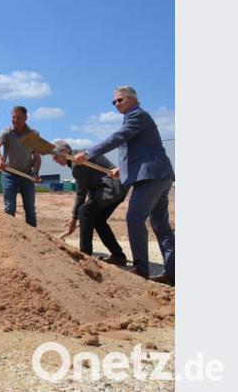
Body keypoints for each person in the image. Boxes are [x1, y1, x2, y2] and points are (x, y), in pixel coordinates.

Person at [73, 86, 175, 286]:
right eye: (114, 102)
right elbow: (142, 149)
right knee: (160, 226)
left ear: (133, 99)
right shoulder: (137, 118)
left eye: (120, 100)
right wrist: (122, 168)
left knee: (134, 218)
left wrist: (89, 152)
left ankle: (141, 268)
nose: (116, 104)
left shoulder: (136, 116)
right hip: (160, 175)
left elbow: (118, 137)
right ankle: (173, 274)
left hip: (151, 177)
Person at [52, 140, 128, 265]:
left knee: (84, 211)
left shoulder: (78, 162)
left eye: (56, 156)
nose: (55, 160)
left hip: (111, 187)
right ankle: (118, 256)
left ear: (65, 151)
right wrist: (75, 218)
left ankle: (85, 256)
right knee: (98, 220)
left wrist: (74, 217)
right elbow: (91, 191)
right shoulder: (79, 158)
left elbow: (80, 194)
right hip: (117, 189)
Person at [0, 106, 41, 227]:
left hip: (27, 175)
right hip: (9, 175)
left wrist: (36, 173)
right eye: (13, 117)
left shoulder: (33, 134)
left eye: (18, 117)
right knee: (9, 208)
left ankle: (34, 236)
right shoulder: (7, 132)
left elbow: (37, 157)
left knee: (30, 208)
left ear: (26, 118)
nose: (15, 120)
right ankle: (10, 235)